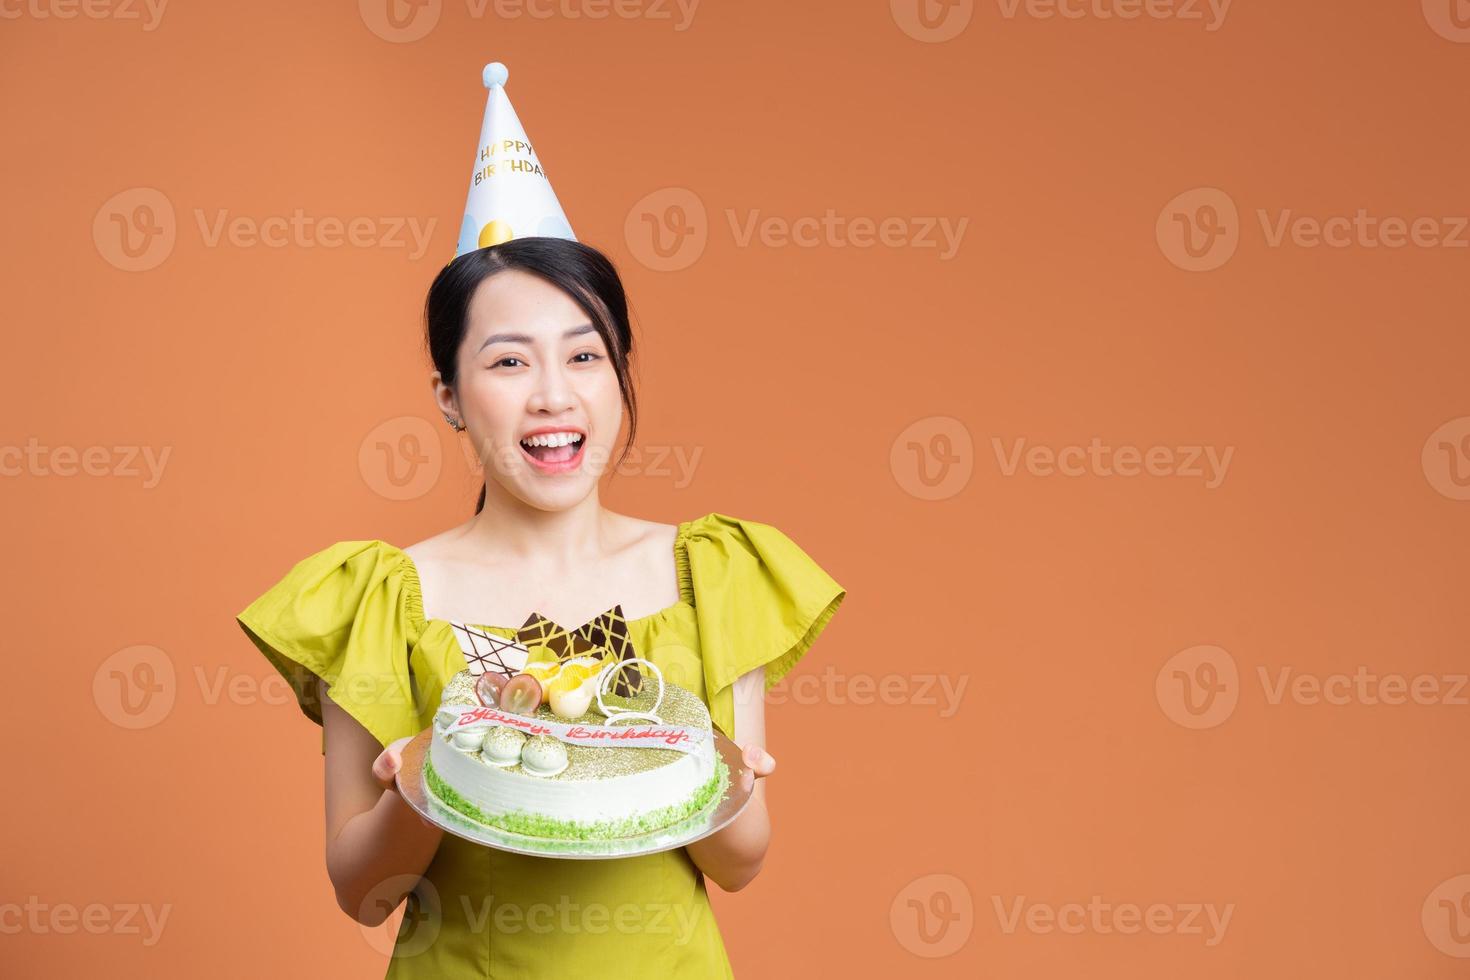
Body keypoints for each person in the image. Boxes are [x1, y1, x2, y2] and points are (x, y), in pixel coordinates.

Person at [236, 237, 846, 977]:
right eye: (509, 361)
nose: (554, 394)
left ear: (621, 378)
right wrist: (422, 777)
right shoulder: (383, 597)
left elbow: (739, 864)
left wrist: (732, 781)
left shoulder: (713, 576)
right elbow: (362, 893)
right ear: (449, 396)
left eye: (584, 356)